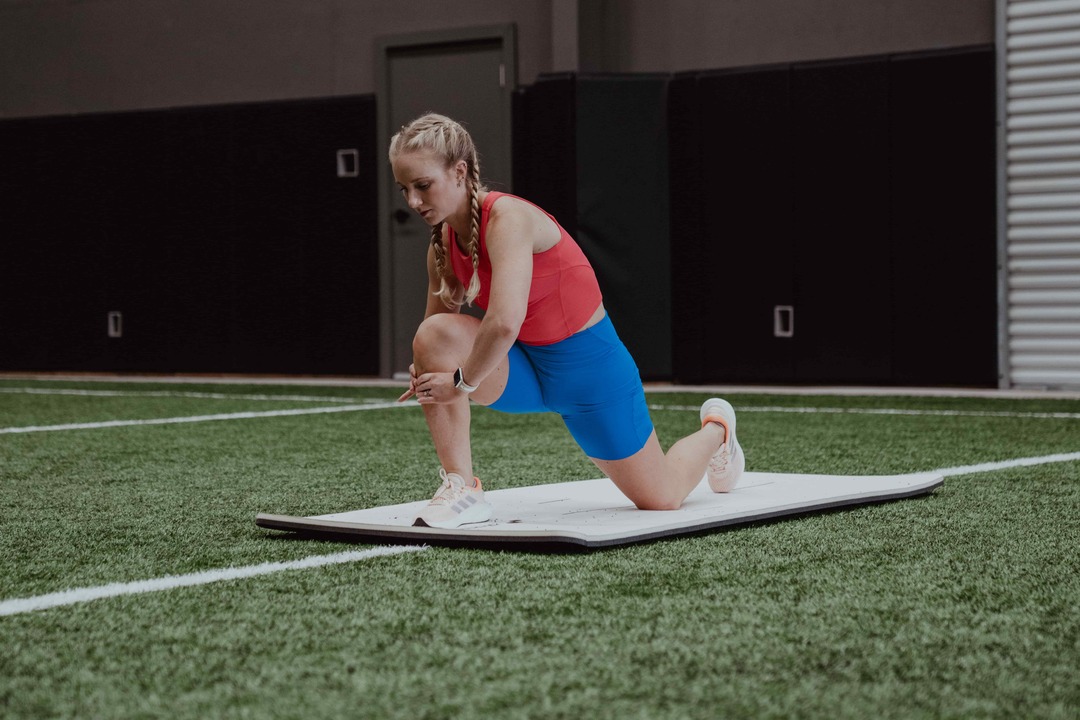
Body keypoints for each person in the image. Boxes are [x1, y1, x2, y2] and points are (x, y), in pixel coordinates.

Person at [391, 113, 744, 528]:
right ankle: (463, 489)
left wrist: (459, 383)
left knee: (662, 498)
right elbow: (433, 338)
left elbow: (505, 321)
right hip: (522, 369)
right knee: (432, 337)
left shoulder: (508, 220)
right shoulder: (440, 249)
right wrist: (427, 374)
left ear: (459, 172)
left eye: (422, 185)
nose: (413, 201)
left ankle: (718, 429)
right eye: (404, 189)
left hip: (589, 373)